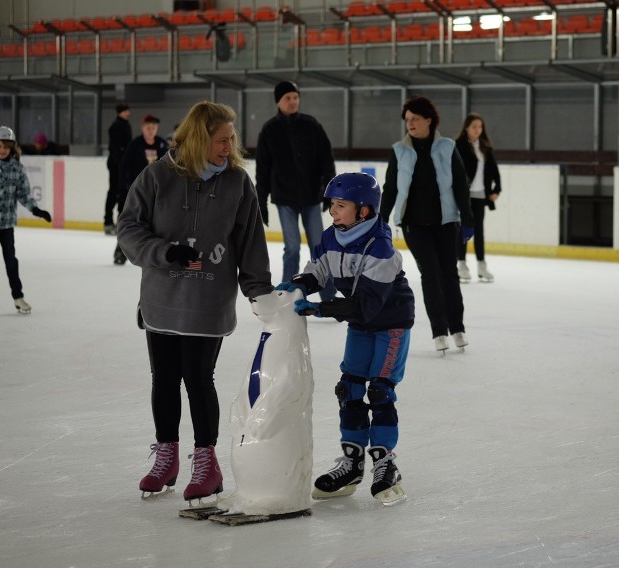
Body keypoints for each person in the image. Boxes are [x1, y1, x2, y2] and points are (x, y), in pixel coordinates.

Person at [117, 100, 274, 502]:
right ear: (199, 139)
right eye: (221, 140)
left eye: (231, 139)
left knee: (198, 378)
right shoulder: (157, 176)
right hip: (162, 300)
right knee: (164, 379)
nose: (229, 146)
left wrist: (258, 290)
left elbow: (250, 241)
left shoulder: (238, 183)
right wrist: (161, 251)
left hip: (207, 300)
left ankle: (207, 462)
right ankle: (166, 456)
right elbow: (129, 227)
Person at [276, 172, 414, 504]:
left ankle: (386, 464)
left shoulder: (379, 246)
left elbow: (367, 304)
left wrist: (320, 309)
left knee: (379, 390)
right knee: (349, 387)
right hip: (360, 322)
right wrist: (298, 285)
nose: (333, 212)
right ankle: (352, 463)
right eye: (332, 205)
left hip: (390, 322)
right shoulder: (330, 237)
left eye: (341, 206)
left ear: (364, 210)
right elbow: (318, 270)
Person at [380, 95, 475, 352]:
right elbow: (389, 189)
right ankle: (439, 331)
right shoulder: (399, 151)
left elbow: (459, 184)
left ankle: (457, 327)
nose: (410, 123)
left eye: (415, 119)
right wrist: (381, 220)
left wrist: (467, 220)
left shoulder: (447, 147)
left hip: (446, 223)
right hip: (414, 225)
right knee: (430, 275)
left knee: (449, 275)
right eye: (407, 119)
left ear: (429, 120)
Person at [255, 80, 337, 302]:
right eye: (287, 98)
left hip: (311, 197)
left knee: (318, 248)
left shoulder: (312, 125)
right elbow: (262, 169)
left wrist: (329, 191)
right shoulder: (270, 130)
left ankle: (329, 295)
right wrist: (260, 201)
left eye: (295, 97)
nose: (293, 101)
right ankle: (286, 295)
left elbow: (326, 160)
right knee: (292, 248)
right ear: (278, 102)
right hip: (285, 200)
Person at [0, 126, 52, 316]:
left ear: (12, 148)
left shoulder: (17, 169)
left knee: (11, 260)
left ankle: (18, 297)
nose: (2, 150)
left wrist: (36, 210)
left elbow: (24, 194)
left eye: (6, 147)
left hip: (6, 221)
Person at [113, 113, 169, 265]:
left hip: (157, 194)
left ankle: (155, 252)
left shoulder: (163, 145)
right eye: (148, 127)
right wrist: (124, 188)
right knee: (130, 222)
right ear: (143, 128)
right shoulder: (135, 144)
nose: (151, 130)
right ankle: (121, 251)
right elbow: (123, 167)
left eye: (154, 127)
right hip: (136, 191)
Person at [454, 113, 501, 284]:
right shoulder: (458, 146)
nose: (477, 130)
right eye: (474, 126)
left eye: (480, 127)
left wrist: (497, 189)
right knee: (464, 229)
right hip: (463, 195)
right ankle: (462, 264)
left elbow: (494, 170)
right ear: (466, 127)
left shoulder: (485, 147)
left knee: (479, 230)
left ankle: (481, 265)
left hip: (481, 194)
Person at [105, 103, 132, 236]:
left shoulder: (125, 124)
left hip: (123, 165)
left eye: (128, 110)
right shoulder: (116, 126)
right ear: (120, 112)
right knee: (114, 192)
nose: (128, 113)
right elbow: (115, 148)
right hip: (117, 165)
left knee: (122, 193)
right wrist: (121, 164)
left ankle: (119, 221)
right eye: (125, 111)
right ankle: (108, 221)